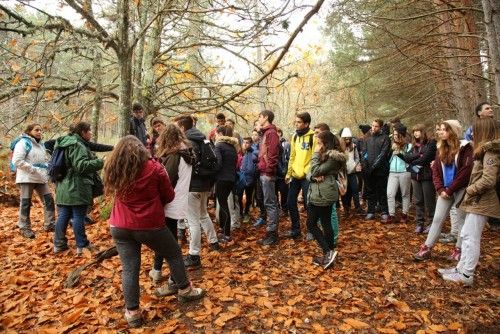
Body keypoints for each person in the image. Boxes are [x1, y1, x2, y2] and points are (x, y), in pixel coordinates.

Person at [103, 136, 204, 328]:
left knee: (130, 268)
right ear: (142, 150)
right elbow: (169, 195)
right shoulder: (154, 167)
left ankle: (132, 312)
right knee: (173, 253)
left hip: (119, 225)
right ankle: (185, 290)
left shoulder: (113, 168)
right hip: (149, 224)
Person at [439, 119, 499, 285]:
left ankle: (467, 274)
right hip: (477, 200)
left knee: (471, 237)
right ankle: (461, 268)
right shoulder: (485, 151)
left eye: (476, 130)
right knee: (465, 234)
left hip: (483, 200)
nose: (473, 133)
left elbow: (488, 180)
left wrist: (470, 190)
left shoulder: (491, 152)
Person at [414, 120, 473, 261]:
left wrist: (451, 189)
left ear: (453, 131)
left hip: (460, 189)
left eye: (444, 129)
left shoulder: (465, 147)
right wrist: (440, 189)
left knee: (461, 220)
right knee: (437, 219)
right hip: (444, 190)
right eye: (439, 129)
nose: (440, 132)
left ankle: (459, 250)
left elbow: (465, 172)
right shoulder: (440, 147)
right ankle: (426, 248)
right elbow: (435, 170)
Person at [149, 123, 197, 282]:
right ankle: (158, 270)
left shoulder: (175, 155)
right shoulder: (186, 152)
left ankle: (171, 276)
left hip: (170, 202)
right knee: (167, 239)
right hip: (179, 201)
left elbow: (166, 181)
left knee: (166, 242)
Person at [53, 122, 104, 255]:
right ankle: (82, 245)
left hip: (63, 186)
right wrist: (101, 162)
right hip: (77, 187)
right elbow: (81, 166)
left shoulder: (63, 142)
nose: (91, 133)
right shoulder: (78, 145)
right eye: (89, 131)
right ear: (83, 132)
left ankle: (58, 245)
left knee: (63, 215)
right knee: (78, 216)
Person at [307, 131, 345, 269]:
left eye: (319, 143)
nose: (317, 146)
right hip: (317, 192)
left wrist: (315, 155)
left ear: (325, 143)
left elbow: (315, 170)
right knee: (322, 223)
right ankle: (329, 254)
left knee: (314, 224)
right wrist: (312, 176)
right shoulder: (323, 155)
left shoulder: (333, 157)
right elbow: (310, 172)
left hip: (324, 194)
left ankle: (328, 251)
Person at [12, 123, 55, 238]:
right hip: (26, 177)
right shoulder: (23, 143)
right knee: (26, 203)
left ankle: (50, 224)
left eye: (41, 130)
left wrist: (47, 168)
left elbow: (44, 160)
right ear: (29, 131)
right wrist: (33, 169)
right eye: (36, 130)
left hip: (40, 177)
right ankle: (24, 227)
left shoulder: (41, 145)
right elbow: (17, 160)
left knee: (49, 199)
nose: (40, 132)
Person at [285, 112, 316, 240]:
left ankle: (311, 230)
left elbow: (315, 157)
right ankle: (295, 229)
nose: (296, 124)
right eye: (296, 122)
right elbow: (292, 156)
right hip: (295, 176)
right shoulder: (294, 137)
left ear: (306, 124)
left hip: (307, 176)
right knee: (290, 202)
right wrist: (289, 173)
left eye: (299, 122)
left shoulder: (313, 137)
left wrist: (308, 172)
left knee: (309, 204)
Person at [402, 124, 437, 233]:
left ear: (423, 131)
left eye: (418, 131)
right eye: (414, 131)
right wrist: (419, 155)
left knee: (429, 201)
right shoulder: (414, 145)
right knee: (418, 201)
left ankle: (431, 223)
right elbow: (406, 157)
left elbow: (426, 158)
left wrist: (414, 159)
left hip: (426, 175)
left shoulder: (431, 143)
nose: (416, 133)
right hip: (415, 176)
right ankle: (419, 223)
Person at [256, 110, 281, 245]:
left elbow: (273, 154)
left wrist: (268, 170)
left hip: (267, 174)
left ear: (266, 117)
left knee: (270, 203)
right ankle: (270, 232)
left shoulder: (271, 133)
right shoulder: (266, 132)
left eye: (260, 116)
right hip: (264, 172)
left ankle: (272, 234)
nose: (258, 119)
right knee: (268, 202)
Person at [214, 125, 238, 242]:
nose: (215, 136)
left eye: (216, 134)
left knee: (223, 205)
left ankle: (226, 234)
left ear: (220, 134)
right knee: (224, 203)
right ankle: (224, 230)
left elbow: (218, 163)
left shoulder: (219, 145)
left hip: (222, 178)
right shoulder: (232, 147)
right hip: (231, 179)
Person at [364, 119, 390, 222]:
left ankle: (384, 211)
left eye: (376, 126)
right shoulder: (368, 139)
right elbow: (364, 153)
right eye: (372, 126)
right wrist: (365, 164)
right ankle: (371, 211)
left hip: (381, 170)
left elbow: (383, 154)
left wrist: (374, 166)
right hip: (369, 170)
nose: (373, 128)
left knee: (382, 191)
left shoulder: (385, 138)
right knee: (370, 191)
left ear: (380, 127)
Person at [386, 123, 412, 223]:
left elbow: (408, 159)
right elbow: (388, 159)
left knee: (405, 194)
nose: (395, 137)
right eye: (394, 134)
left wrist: (399, 152)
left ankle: (404, 214)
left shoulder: (409, 146)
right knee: (390, 193)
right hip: (392, 171)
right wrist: (391, 150)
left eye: (397, 135)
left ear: (402, 135)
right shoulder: (392, 144)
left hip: (405, 172)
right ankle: (391, 215)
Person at [340, 127, 362, 216]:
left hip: (352, 172)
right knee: (345, 192)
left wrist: (354, 165)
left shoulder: (353, 147)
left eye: (349, 138)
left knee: (355, 189)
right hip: (343, 174)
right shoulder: (340, 148)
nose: (348, 140)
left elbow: (357, 158)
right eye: (346, 139)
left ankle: (358, 207)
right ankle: (346, 208)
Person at [239, 137, 258, 223]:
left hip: (251, 179)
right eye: (244, 142)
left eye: (247, 143)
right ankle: (241, 213)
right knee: (239, 196)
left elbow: (256, 163)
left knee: (249, 197)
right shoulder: (243, 152)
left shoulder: (254, 152)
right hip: (242, 178)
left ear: (251, 144)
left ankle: (246, 213)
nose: (245, 144)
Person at [276, 128, 290, 216]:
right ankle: (278, 209)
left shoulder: (286, 144)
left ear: (280, 133)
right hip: (274, 172)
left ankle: (285, 209)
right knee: (274, 193)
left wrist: (286, 171)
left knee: (284, 192)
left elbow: (288, 158)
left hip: (283, 172)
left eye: (277, 132)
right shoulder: (271, 143)